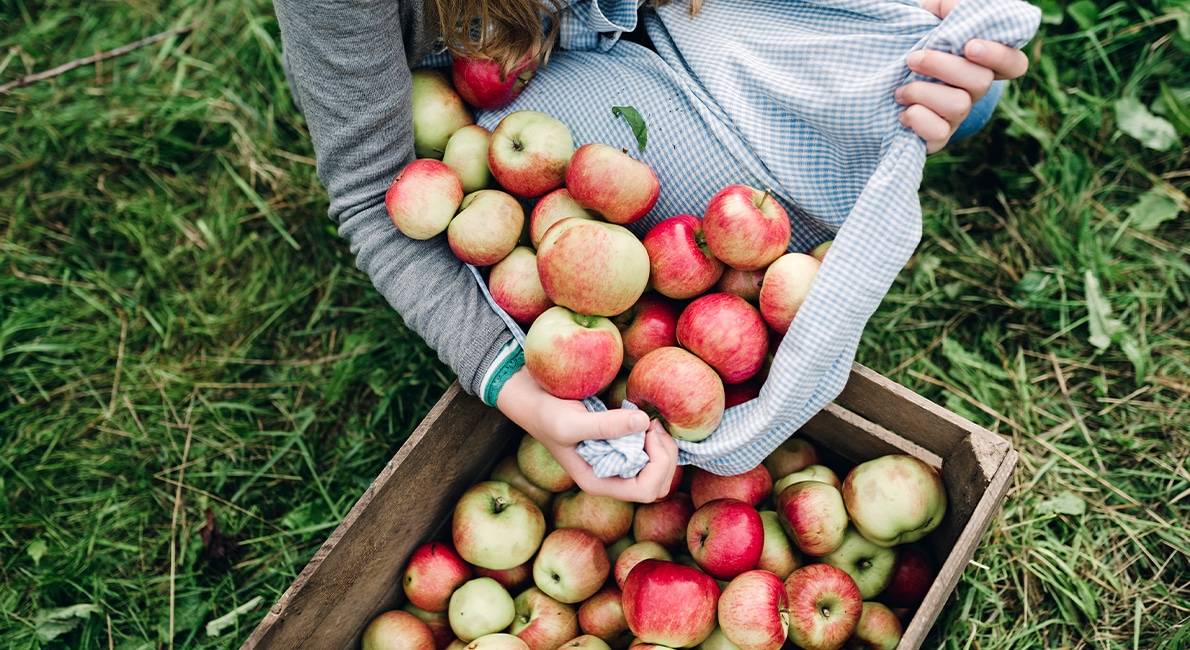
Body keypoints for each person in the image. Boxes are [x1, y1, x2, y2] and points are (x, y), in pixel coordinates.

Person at [273, 0, 1030, 503]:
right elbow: (375, 196)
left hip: (676, 16)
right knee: (678, 231)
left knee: (952, 88)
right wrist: (515, 386)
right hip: (508, 81)